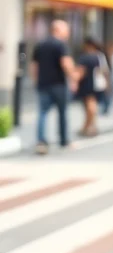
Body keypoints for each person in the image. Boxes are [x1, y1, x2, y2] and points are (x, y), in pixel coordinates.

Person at [30, 20, 76, 154]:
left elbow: (34, 66)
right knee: (62, 113)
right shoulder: (61, 45)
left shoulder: (40, 44)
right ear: (58, 30)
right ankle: (63, 140)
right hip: (59, 84)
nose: (68, 33)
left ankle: (41, 141)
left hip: (43, 84)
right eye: (66, 30)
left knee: (42, 113)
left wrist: (35, 81)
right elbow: (66, 63)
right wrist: (73, 78)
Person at [73, 37, 105, 137]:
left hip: (86, 85)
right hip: (95, 85)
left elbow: (80, 72)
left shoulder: (85, 58)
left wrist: (74, 82)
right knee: (91, 105)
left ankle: (88, 127)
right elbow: (102, 71)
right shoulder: (98, 56)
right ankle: (91, 127)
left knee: (89, 107)